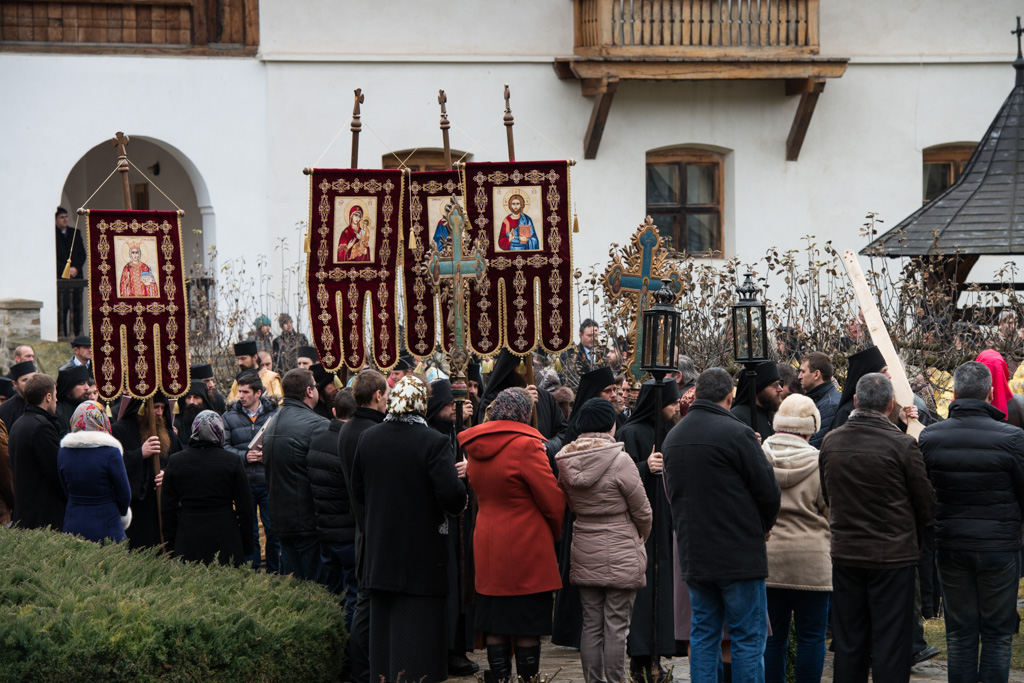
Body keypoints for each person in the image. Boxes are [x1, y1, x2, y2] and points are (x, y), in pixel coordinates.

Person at [663, 368, 781, 683]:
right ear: (730, 397)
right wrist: (764, 525)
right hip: (739, 554)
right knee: (747, 636)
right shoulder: (737, 433)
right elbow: (768, 490)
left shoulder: (673, 438)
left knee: (703, 633)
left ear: (697, 394)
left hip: (695, 553)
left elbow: (671, 494)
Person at [819, 373, 935, 683]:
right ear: (891, 405)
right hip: (893, 556)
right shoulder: (902, 445)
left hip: (847, 553)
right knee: (892, 642)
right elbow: (926, 504)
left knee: (849, 641)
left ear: (856, 401)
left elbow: (828, 495)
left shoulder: (831, 441)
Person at [353, 376, 467, 683]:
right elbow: (451, 496)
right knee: (419, 643)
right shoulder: (433, 441)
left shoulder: (369, 438)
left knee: (385, 643)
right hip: (421, 556)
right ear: (421, 404)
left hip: (380, 554)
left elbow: (359, 492)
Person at [919, 361, 1024, 683]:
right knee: (997, 633)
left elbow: (923, 493)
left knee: (960, 634)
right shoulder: (1013, 438)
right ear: (991, 393)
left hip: (951, 544)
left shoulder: (930, 437)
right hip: (999, 547)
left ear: (953, 393)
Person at [459, 387, 564, 683]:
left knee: (496, 621)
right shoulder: (526, 446)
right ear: (522, 414)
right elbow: (551, 500)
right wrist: (554, 531)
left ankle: (500, 679)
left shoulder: (475, 446)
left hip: (487, 540)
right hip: (526, 543)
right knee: (527, 622)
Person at [555, 397, 652, 683]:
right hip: (621, 544)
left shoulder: (565, 460)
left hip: (585, 543)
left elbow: (570, 503)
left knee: (591, 624)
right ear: (611, 425)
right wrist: (639, 537)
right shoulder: (620, 460)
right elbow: (643, 511)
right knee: (617, 626)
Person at [760, 394, 832, 683]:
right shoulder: (820, 462)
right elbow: (830, 510)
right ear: (811, 426)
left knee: (772, 637)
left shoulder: (759, 456)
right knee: (812, 637)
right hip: (812, 562)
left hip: (768, 559)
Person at [616, 378, 681, 681]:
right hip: (641, 524)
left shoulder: (671, 431)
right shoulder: (630, 432)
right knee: (643, 593)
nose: (676, 407)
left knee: (662, 589)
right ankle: (639, 657)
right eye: (671, 402)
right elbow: (618, 476)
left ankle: (657, 654)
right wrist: (645, 467)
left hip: (666, 520)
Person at [424, 379, 479, 676]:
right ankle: (447, 650)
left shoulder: (454, 433)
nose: (453, 410)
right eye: (448, 405)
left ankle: (458, 647)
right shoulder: (432, 436)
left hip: (460, 522)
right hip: (441, 524)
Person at [338, 369, 389, 683]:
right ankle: (364, 671)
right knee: (366, 604)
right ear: (378, 395)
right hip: (372, 526)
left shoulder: (349, 428)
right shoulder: (370, 432)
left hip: (362, 524)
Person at [161, 411, 254, 566]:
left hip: (188, 535)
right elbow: (245, 508)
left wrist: (171, 545)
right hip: (225, 534)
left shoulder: (176, 461)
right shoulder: (232, 461)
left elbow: (168, 509)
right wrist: (246, 545)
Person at [262, 368, 328, 580]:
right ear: (309, 391)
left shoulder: (272, 422)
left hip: (281, 521)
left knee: (293, 588)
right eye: (315, 386)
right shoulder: (317, 425)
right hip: (309, 522)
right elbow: (326, 476)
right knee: (316, 587)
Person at [221, 371, 280, 573]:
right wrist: (244, 456)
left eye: (246, 392)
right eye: (240, 391)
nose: (241, 396)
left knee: (273, 531)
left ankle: (275, 573)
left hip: (268, 482)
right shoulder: (229, 417)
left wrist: (267, 455)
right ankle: (252, 574)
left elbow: (283, 444)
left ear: (258, 393)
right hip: (244, 483)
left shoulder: (275, 415)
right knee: (249, 532)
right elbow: (224, 448)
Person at [307, 390, 358, 617]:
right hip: (348, 533)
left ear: (334, 412)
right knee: (353, 594)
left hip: (324, 530)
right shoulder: (350, 444)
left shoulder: (317, 441)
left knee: (333, 593)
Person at [57, 400, 132, 544]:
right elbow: (124, 493)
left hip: (74, 522)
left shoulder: (64, 452)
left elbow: (65, 488)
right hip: (107, 523)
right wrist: (122, 514)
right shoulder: (111, 452)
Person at [112, 394, 179, 549]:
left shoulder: (168, 433)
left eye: (162, 408)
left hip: (161, 504)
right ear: (141, 408)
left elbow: (178, 464)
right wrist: (139, 454)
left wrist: (167, 474)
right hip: (136, 509)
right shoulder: (120, 430)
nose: (159, 413)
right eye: (155, 407)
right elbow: (113, 465)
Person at [477, 349, 567, 461]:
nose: (527, 369)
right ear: (509, 368)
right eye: (520, 365)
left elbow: (563, 432)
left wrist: (547, 446)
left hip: (544, 463)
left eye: (530, 364)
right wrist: (522, 399)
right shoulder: (492, 398)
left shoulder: (546, 397)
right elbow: (488, 436)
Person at [8, 373, 66, 530]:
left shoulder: (18, 423)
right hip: (43, 517)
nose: (56, 399)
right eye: (55, 394)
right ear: (48, 397)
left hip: (25, 513)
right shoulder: (42, 427)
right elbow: (56, 472)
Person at [798, 351, 841, 448]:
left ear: (816, 374)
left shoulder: (829, 405)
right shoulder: (820, 399)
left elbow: (813, 447)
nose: (799, 376)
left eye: (803, 372)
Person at [55, 207, 87, 337]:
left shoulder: (75, 233)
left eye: (66, 217)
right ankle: (62, 334)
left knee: (77, 307)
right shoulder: (53, 234)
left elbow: (82, 254)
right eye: (62, 217)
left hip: (76, 276)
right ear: (56, 220)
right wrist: (66, 270)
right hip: (62, 277)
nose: (65, 219)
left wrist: (76, 268)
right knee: (63, 307)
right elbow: (54, 257)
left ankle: (78, 335)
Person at [732, 360, 783, 438]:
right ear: (758, 388)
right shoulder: (737, 418)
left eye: (780, 384)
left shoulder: (772, 414)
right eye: (774, 385)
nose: (780, 389)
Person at [561, 319, 602, 390]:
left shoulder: (605, 352)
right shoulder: (569, 355)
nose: (593, 339)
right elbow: (566, 380)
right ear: (580, 335)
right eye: (589, 335)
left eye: (595, 336)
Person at [173, 380, 214, 448]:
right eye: (188, 397)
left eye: (196, 397)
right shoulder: (177, 424)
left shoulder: (213, 422)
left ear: (203, 400)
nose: (191, 402)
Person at [54, 364, 91, 436]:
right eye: (82, 383)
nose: (87, 387)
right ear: (69, 387)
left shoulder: (90, 407)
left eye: (87, 383)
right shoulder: (56, 411)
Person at [0, 360, 37, 430]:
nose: (30, 383)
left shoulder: (44, 402)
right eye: (25, 380)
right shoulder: (5, 410)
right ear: (15, 384)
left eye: (33, 379)